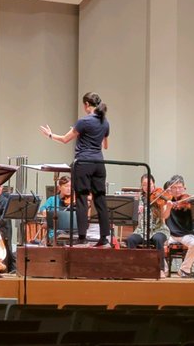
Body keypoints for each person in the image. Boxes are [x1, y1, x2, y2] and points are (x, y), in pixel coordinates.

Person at [39, 92, 110, 247]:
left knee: (82, 199)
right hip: (99, 163)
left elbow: (65, 139)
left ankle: (82, 237)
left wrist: (50, 135)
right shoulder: (105, 122)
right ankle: (104, 238)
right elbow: (105, 145)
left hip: (83, 162)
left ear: (86, 104)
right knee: (100, 200)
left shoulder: (83, 121)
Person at [126, 174, 171, 278]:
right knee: (131, 239)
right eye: (144, 184)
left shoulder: (160, 197)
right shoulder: (139, 199)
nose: (147, 187)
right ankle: (133, 268)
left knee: (158, 239)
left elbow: (164, 215)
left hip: (159, 229)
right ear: (142, 186)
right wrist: (137, 211)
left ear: (154, 184)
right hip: (142, 230)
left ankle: (160, 269)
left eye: (149, 184)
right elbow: (133, 217)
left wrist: (168, 207)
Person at [164, 175, 194, 278]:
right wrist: (169, 206)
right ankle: (164, 269)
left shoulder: (188, 201)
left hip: (185, 234)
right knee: (156, 243)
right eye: (174, 188)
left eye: (180, 187)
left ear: (184, 188)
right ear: (170, 189)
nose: (177, 190)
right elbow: (164, 216)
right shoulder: (167, 201)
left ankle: (184, 269)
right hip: (170, 235)